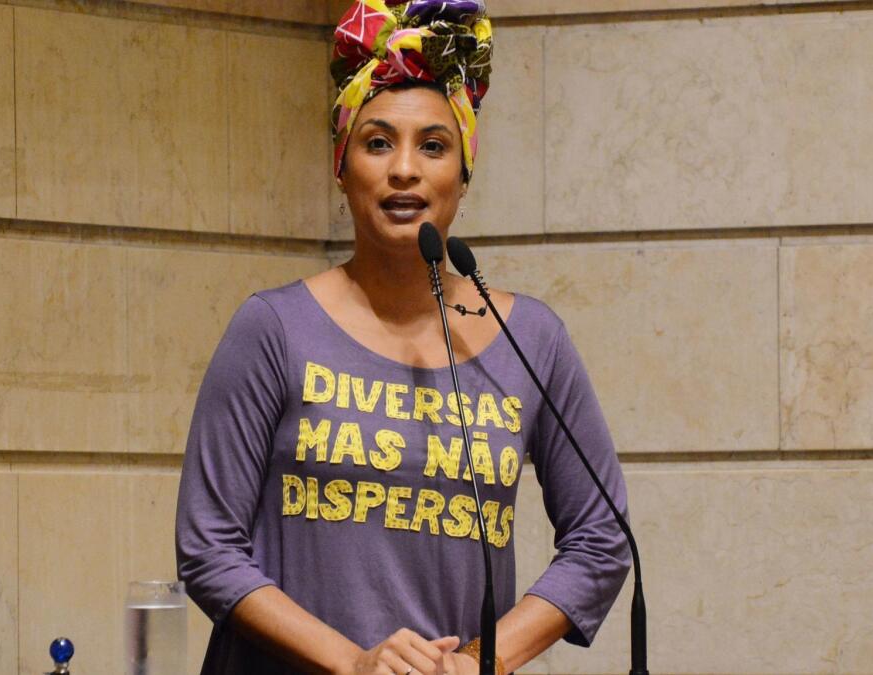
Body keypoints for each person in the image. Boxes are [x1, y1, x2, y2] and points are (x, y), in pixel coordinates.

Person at [175, 1, 631, 673]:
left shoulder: (530, 337)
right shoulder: (273, 329)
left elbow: (601, 540)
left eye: (434, 146)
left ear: (462, 176)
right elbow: (209, 546)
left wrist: (483, 660)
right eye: (378, 142)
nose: (405, 170)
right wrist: (355, 662)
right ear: (342, 167)